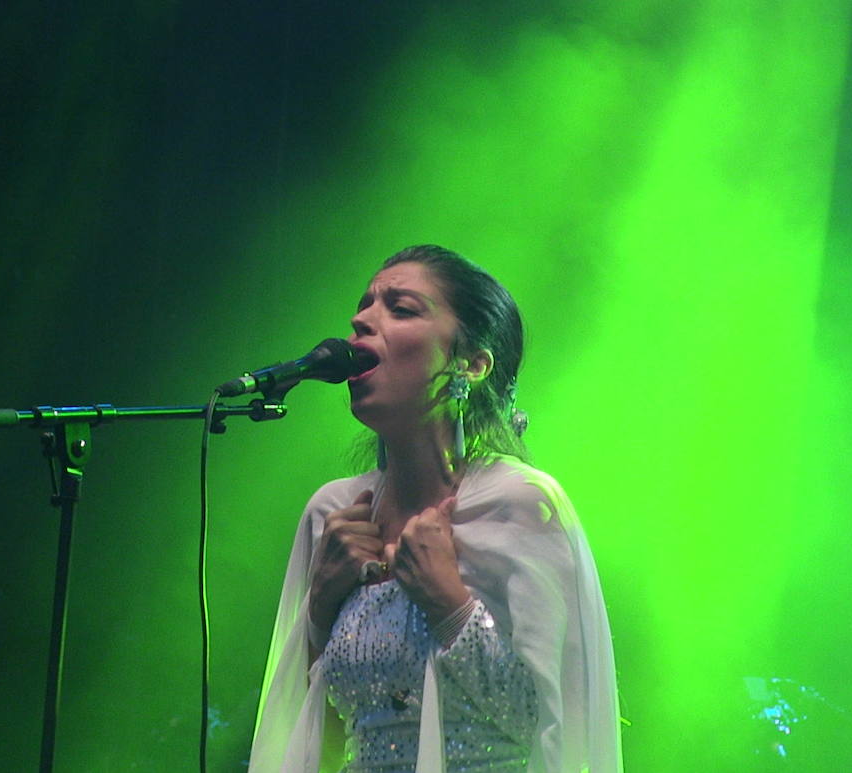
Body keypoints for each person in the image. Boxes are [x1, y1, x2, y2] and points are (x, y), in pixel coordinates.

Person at [249, 245, 621, 773]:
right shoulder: (333, 514)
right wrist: (319, 611)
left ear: (471, 364)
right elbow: (310, 737)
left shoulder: (521, 503)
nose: (360, 320)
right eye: (364, 306)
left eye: (401, 308)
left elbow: (553, 730)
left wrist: (452, 607)